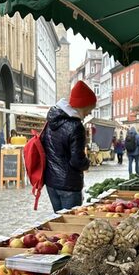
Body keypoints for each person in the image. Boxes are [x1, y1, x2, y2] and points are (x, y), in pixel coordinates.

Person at [42, 80, 95, 212]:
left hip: (51, 182)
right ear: (84, 105)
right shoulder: (76, 127)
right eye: (90, 108)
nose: (89, 113)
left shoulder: (51, 121)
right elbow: (76, 160)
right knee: (72, 224)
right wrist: (87, 163)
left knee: (59, 222)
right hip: (69, 184)